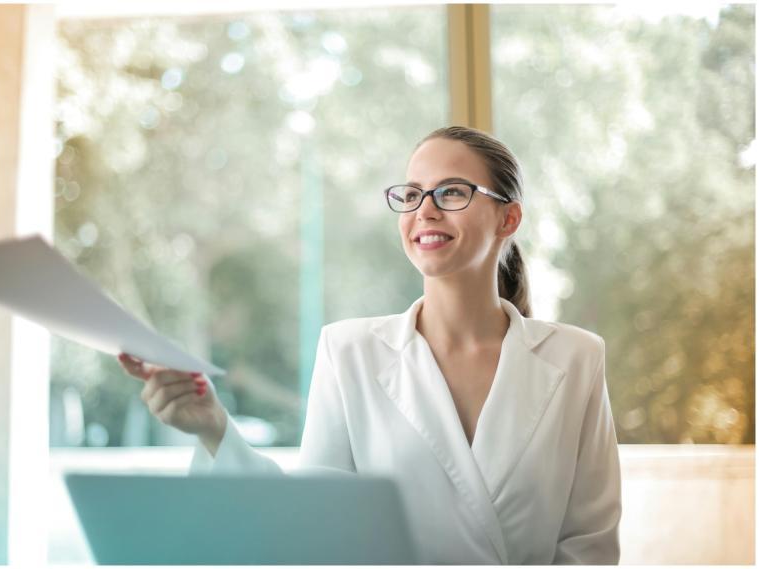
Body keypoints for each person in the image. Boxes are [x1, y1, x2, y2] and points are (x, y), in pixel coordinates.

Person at [118, 126, 621, 564]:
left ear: (508, 219)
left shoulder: (576, 358)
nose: (425, 210)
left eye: (451, 192)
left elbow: (589, 544)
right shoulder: (348, 352)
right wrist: (214, 429)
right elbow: (314, 526)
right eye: (412, 194)